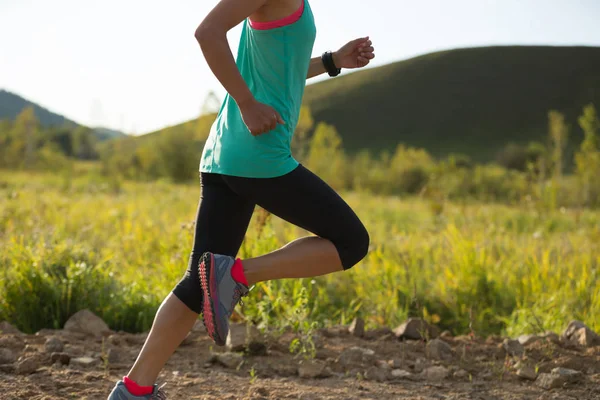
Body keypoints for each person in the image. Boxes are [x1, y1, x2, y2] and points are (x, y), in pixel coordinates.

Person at [107, 0, 375, 398]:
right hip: (257, 155)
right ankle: (236, 276)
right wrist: (247, 105)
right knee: (351, 242)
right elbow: (208, 32)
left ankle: (133, 390)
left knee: (198, 281)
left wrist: (333, 61)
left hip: (227, 155)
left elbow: (281, 71)